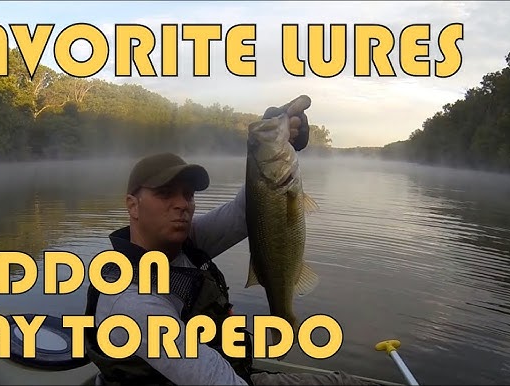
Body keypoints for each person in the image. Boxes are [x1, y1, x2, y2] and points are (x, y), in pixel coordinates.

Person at [83, 96, 375, 386]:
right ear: (132, 205)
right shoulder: (131, 302)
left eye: (188, 195)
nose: (182, 204)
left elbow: (247, 211)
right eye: (165, 194)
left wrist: (269, 144)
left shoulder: (187, 242)